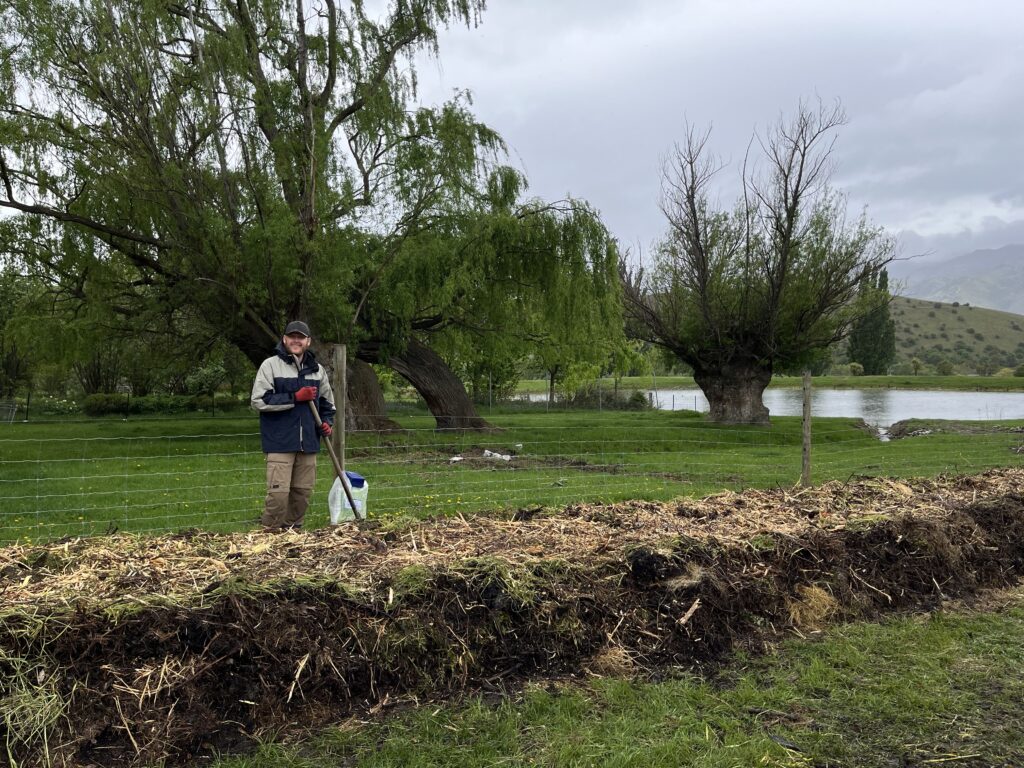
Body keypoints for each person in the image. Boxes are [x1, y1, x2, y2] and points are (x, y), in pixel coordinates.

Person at [250, 320, 336, 530]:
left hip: (309, 442)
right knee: (278, 495)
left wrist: (326, 422)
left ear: (308, 341)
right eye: (292, 337)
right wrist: (295, 397)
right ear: (284, 339)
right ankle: (269, 534)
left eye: (301, 337)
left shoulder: (317, 370)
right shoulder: (270, 365)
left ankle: (292, 534)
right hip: (280, 441)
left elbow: (327, 404)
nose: (296, 341)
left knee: (302, 495)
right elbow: (258, 400)